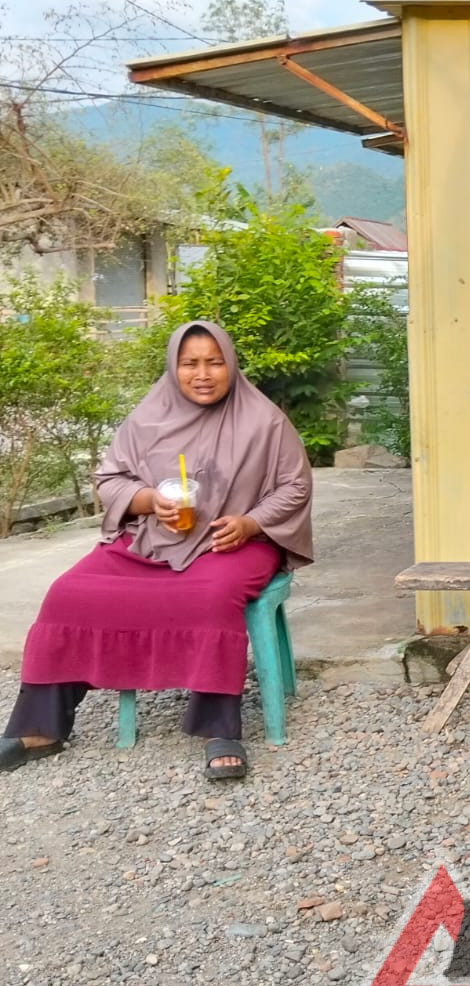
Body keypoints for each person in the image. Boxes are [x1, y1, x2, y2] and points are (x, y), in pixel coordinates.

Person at [0, 321, 313, 780]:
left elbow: (295, 486)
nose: (202, 373)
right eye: (190, 363)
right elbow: (111, 480)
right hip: (150, 539)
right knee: (68, 593)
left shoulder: (264, 420)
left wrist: (250, 522)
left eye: (214, 362)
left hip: (231, 543)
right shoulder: (147, 418)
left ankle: (218, 728)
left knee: (208, 597)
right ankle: (40, 728)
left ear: (231, 364)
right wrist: (149, 501)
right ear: (174, 367)